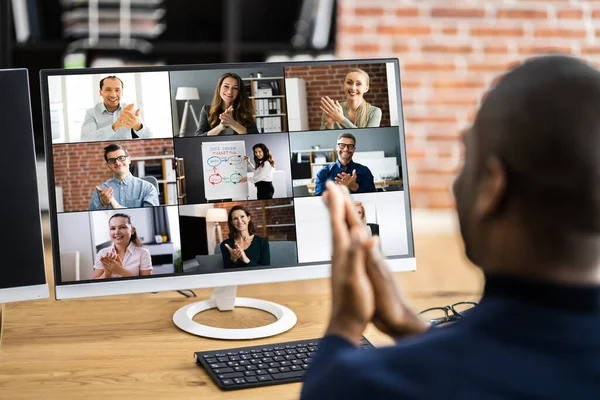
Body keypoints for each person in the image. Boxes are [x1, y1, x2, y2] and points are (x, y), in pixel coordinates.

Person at [301, 55, 600, 399]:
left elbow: (328, 390)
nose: (457, 183)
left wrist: (344, 323)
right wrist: (409, 326)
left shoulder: (373, 385)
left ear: (492, 186)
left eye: (467, 156)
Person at [88, 143, 159, 210]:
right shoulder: (100, 192)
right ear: (108, 165)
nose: (117, 163)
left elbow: (150, 216)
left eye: (121, 158)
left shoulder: (148, 188)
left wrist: (115, 205)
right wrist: (103, 205)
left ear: (129, 160)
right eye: (112, 160)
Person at [81, 75, 152, 142]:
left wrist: (138, 126)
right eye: (108, 90)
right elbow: (86, 139)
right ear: (100, 92)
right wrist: (115, 126)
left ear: (122, 92)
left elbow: (149, 137)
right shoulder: (91, 113)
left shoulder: (129, 110)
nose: (113, 95)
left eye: (117, 90)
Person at [93, 213, 152, 279]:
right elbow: (94, 282)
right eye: (112, 228)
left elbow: (146, 282)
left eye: (123, 227)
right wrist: (106, 274)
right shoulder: (103, 253)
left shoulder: (143, 253)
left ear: (132, 230)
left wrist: (120, 270)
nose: (117, 232)